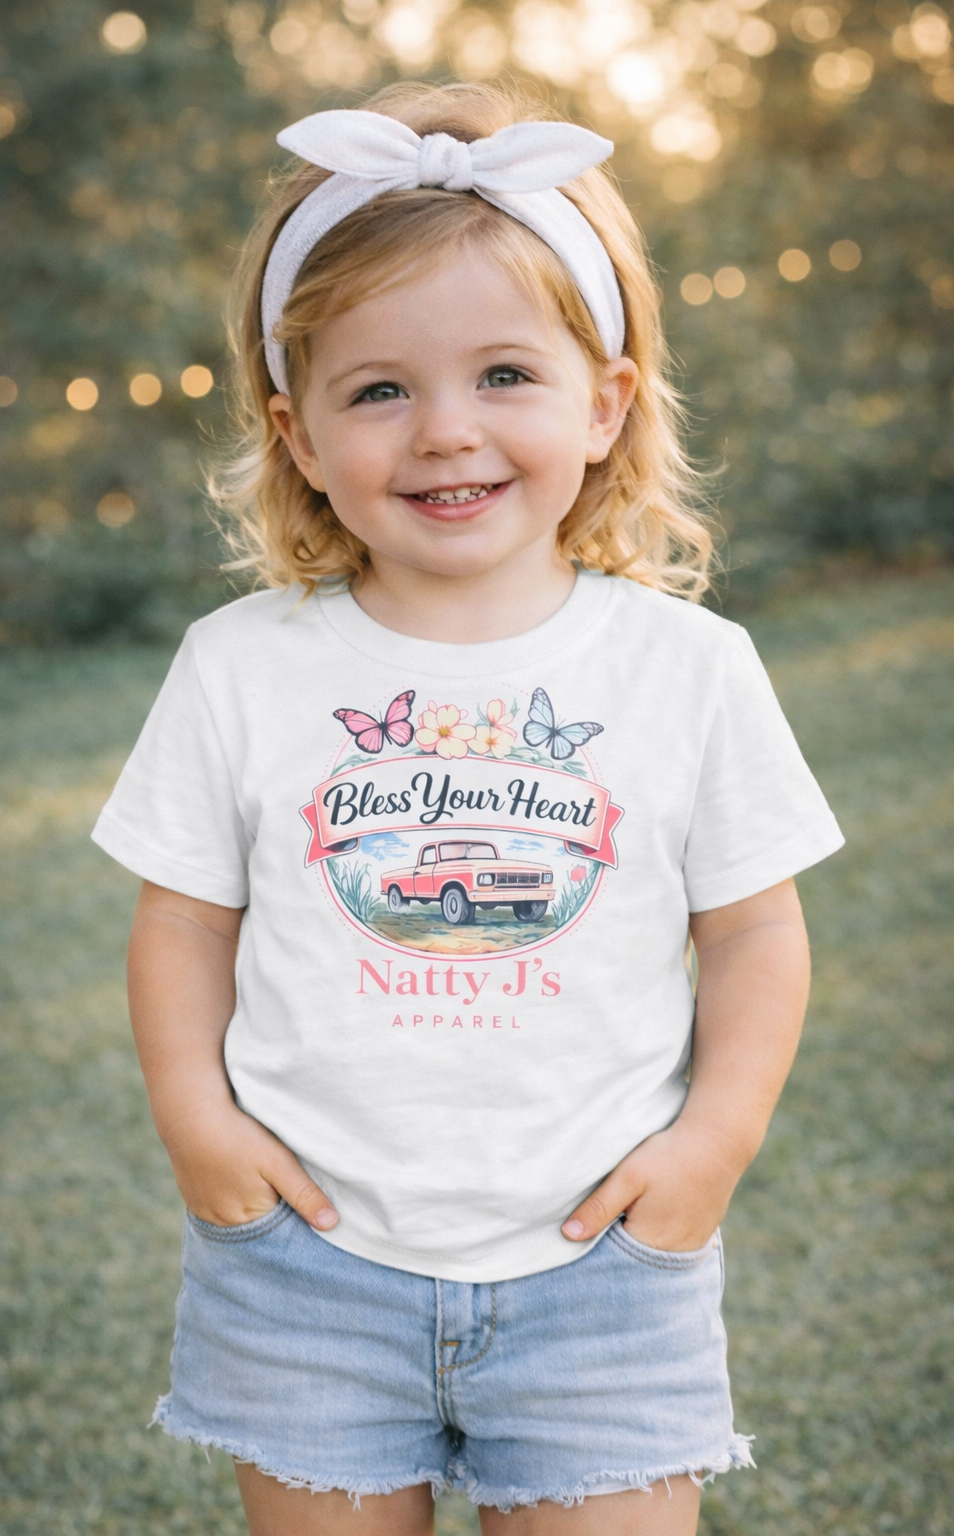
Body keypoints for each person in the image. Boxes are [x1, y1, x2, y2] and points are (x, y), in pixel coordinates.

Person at [91, 79, 845, 1536]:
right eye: (379, 388)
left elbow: (755, 932)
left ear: (605, 399)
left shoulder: (687, 669)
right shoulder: (243, 668)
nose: (446, 431)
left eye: (506, 374)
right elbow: (182, 920)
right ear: (299, 433)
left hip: (602, 1270)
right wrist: (197, 1120)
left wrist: (714, 1147)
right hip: (306, 1258)